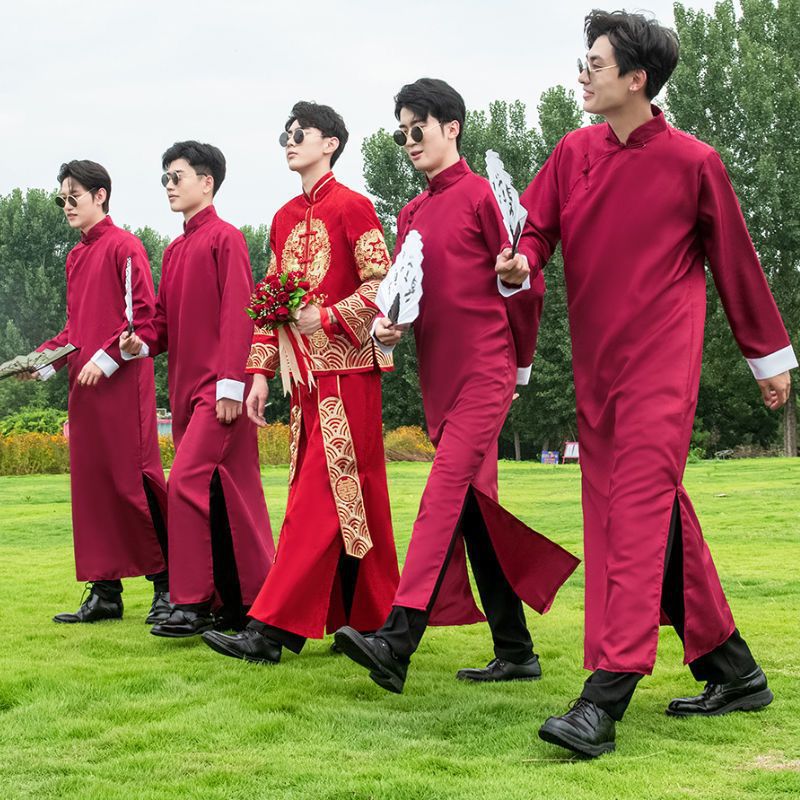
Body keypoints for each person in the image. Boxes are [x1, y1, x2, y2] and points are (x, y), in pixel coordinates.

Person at [518, 10, 797, 758]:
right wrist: (523, 259)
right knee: (658, 515)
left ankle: (603, 697)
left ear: (637, 79)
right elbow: (535, 229)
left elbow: (736, 260)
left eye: (596, 64)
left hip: (661, 368)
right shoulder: (571, 152)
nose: (583, 75)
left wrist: (768, 358)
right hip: (596, 370)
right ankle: (733, 671)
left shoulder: (694, 162)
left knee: (635, 516)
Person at [334, 79, 579, 694]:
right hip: (438, 380)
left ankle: (397, 640)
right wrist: (388, 328)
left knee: (442, 493)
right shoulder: (411, 214)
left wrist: (519, 369)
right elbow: (406, 294)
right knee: (474, 509)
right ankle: (516, 651)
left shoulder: (484, 197)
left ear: (452, 127)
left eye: (418, 128)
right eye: (401, 133)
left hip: (487, 372)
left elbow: (529, 282)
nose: (409, 141)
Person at [201, 102, 400, 665]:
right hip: (303, 381)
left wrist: (330, 316)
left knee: (318, 499)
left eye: (300, 133)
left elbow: (383, 283)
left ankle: (269, 629)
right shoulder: (284, 217)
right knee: (346, 497)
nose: (289, 141)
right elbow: (270, 300)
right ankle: (369, 619)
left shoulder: (354, 206)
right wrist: (259, 372)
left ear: (330, 143)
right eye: (284, 135)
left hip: (349, 375)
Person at [120, 141, 274, 637]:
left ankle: (190, 602)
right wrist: (140, 342)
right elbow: (162, 323)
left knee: (185, 482)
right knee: (226, 494)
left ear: (207, 183)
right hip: (186, 393)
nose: (168, 185)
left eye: (177, 176)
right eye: (165, 178)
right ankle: (245, 604)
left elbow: (238, 315)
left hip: (219, 391)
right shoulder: (175, 250)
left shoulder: (226, 239)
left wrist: (232, 385)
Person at [29, 160, 169, 625]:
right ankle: (105, 592)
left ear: (100, 195)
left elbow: (143, 320)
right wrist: (40, 365)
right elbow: (74, 330)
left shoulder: (126, 247)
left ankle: (168, 587)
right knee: (93, 489)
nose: (67, 206)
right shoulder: (74, 257)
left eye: (74, 197)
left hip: (122, 387)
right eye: (62, 199)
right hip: (83, 390)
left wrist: (106, 360)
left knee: (135, 483)